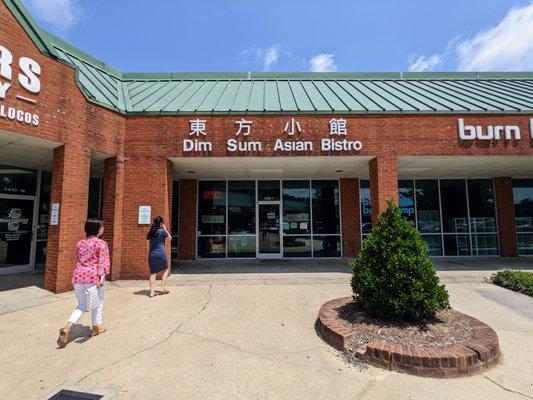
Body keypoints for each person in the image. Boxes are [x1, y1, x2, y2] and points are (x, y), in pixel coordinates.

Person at [57, 219, 110, 348]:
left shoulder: (80, 243)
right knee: (98, 303)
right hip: (93, 277)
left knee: (81, 305)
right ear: (97, 229)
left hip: (78, 276)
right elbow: (102, 262)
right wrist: (102, 277)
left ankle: (68, 327)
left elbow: (78, 258)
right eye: (101, 227)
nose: (103, 229)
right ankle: (95, 328)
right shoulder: (101, 243)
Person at [147, 216, 171, 298]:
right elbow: (170, 238)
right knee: (166, 269)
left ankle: (152, 292)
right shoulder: (162, 231)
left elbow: (148, 246)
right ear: (161, 223)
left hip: (152, 254)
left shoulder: (150, 233)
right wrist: (165, 229)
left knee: (153, 273)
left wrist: (150, 254)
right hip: (161, 254)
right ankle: (162, 288)